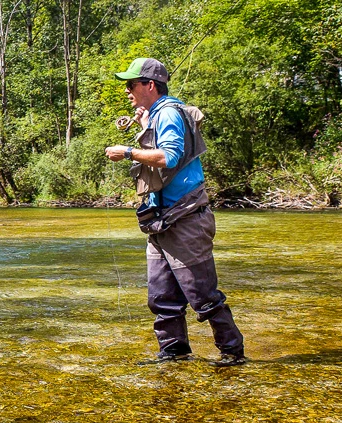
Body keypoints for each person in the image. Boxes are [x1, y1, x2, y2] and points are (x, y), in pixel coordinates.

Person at [103, 57, 247, 367]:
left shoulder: (168, 113)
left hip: (186, 219)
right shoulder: (160, 113)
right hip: (161, 220)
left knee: (204, 296)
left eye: (131, 85)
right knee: (162, 298)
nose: (127, 91)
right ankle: (174, 353)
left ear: (149, 85)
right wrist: (144, 126)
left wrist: (125, 151)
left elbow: (168, 157)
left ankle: (233, 354)